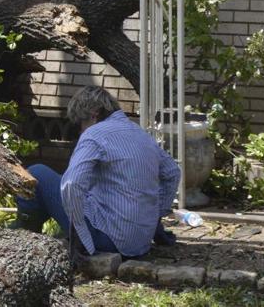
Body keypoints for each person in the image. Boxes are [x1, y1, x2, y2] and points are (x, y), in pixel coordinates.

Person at [13, 85, 180, 258]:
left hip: (107, 240)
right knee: (63, 183)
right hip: (140, 244)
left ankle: (23, 237)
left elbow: (72, 184)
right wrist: (155, 220)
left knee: (37, 173)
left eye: (80, 124)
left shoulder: (94, 134)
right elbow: (173, 172)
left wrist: (81, 235)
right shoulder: (141, 133)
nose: (80, 131)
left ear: (94, 114)